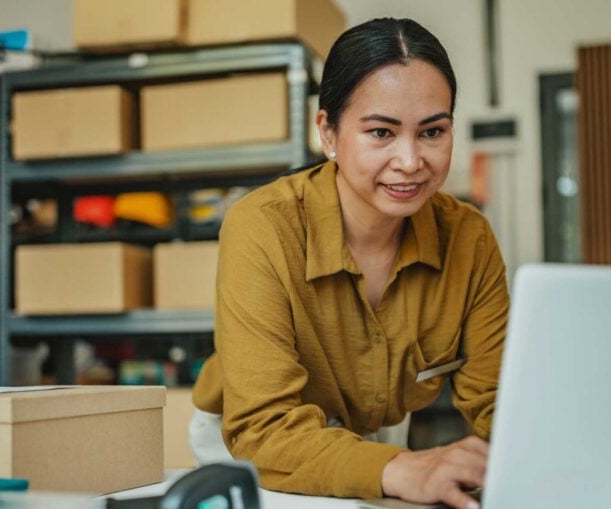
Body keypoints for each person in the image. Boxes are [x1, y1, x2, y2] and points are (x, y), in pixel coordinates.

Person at [189, 17, 509, 509]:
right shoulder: (263, 227)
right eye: (381, 132)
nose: (410, 160)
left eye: (432, 131)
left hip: (379, 441)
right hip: (260, 448)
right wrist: (399, 467)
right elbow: (264, 427)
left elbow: (499, 401)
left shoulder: (469, 237)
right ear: (329, 132)